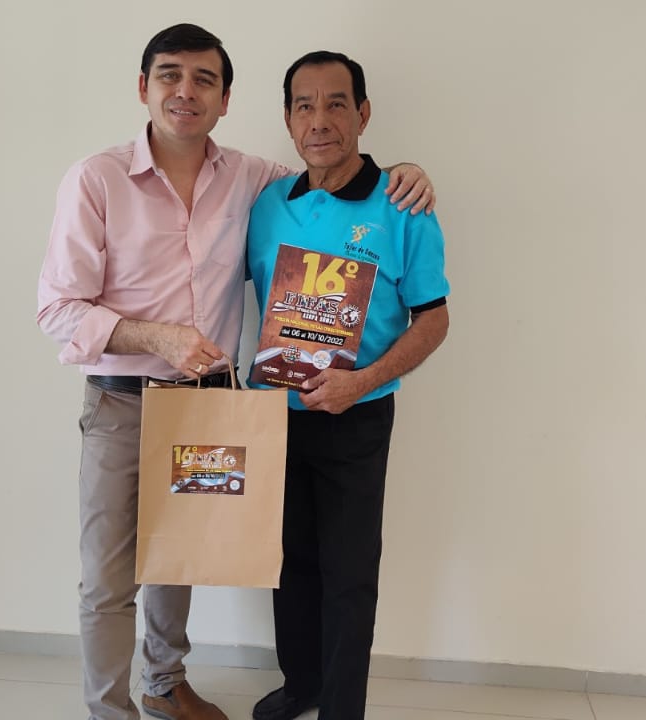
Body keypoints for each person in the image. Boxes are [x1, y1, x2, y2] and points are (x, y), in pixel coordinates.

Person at [36, 25, 435, 720]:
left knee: (179, 557)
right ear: (144, 87)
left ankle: (165, 686)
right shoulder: (96, 179)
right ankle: (109, 712)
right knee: (108, 579)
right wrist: (155, 336)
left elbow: (333, 174)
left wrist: (406, 171)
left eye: (205, 79)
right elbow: (57, 310)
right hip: (123, 403)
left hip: (209, 406)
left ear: (225, 99)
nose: (185, 92)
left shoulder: (254, 181)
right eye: (170, 75)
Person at [244, 51, 451, 720]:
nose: (319, 120)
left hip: (356, 418)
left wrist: (361, 381)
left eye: (336, 103)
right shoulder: (267, 203)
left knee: (349, 575)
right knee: (286, 563)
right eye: (304, 105)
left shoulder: (403, 205)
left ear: (362, 113)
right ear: (287, 119)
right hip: (273, 414)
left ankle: (340, 708)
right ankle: (301, 683)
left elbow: (434, 319)